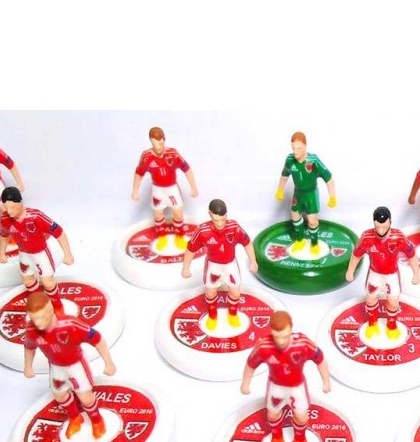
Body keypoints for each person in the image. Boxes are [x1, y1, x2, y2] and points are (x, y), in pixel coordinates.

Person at [24, 291, 117, 440]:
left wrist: (108, 363)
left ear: (50, 310)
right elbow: (29, 347)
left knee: (85, 397)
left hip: (76, 365)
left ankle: (96, 419)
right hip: (56, 367)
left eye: (41, 317)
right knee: (60, 395)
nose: (38, 323)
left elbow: (97, 339)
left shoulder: (71, 325)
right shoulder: (31, 330)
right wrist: (28, 366)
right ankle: (75, 417)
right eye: (34, 319)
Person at [241, 311, 331, 442]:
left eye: (285, 336)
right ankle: (277, 438)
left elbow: (320, 359)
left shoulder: (302, 343)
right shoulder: (264, 346)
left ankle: (300, 440)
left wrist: (326, 381)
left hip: (297, 388)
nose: (281, 341)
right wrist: (245, 383)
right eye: (277, 337)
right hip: (276, 387)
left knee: (302, 416)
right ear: (271, 331)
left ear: (290, 329)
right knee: (273, 414)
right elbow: (251, 364)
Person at [182, 199, 258, 331]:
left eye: (223, 219)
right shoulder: (203, 231)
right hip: (213, 266)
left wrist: (253, 261)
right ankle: (212, 316)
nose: (220, 224)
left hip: (230, 265)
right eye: (216, 220)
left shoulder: (234, 228)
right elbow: (191, 249)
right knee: (210, 292)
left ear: (226, 215)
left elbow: (247, 243)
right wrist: (185, 267)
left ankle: (232, 314)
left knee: (235, 292)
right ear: (210, 214)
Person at [345, 206, 420, 340]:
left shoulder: (398, 238)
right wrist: (350, 271)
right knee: (370, 298)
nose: (380, 231)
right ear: (373, 223)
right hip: (374, 274)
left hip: (391, 276)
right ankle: (372, 324)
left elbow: (412, 255)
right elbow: (356, 255)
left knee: (394, 301)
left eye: (384, 227)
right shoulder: (367, 238)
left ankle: (391, 326)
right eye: (377, 227)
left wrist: (416, 274)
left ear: (390, 222)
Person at [0, 187, 74, 313]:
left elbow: (59, 232)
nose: (9, 211)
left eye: (12, 207)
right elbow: (4, 235)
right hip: (24, 253)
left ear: (20, 202)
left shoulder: (36, 216)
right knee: (27, 280)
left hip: (41, 253)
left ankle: (58, 307)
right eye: (6, 208)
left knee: (47, 282)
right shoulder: (5, 220)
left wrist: (68, 254)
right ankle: (40, 303)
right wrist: (2, 253)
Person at [131, 126, 198, 251]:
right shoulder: (146, 156)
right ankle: (162, 237)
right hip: (158, 190)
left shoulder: (173, 154)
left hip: (172, 189)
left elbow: (187, 169)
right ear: (151, 142)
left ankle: (179, 236)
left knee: (178, 212)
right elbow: (139, 173)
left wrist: (193, 187)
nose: (158, 147)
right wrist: (135, 190)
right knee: (158, 214)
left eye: (160, 144)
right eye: (155, 144)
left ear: (164, 140)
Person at [275, 131, 336, 255]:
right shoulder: (290, 160)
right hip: (298, 193)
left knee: (312, 221)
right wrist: (280, 189)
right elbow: (284, 175)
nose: (295, 152)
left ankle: (314, 243)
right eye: (293, 148)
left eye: (299, 148)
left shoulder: (313, 160)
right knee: (295, 216)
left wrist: (332, 196)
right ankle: (300, 240)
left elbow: (329, 178)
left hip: (311, 194)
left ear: (305, 146)